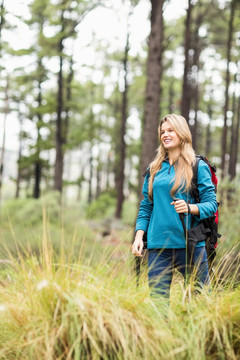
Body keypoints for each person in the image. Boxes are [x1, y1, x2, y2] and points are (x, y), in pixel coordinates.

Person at [132, 114, 218, 301]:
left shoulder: (197, 166)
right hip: (158, 246)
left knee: (202, 301)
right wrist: (139, 237)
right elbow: (146, 206)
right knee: (158, 305)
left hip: (190, 245)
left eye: (170, 130)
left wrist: (190, 208)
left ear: (182, 133)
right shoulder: (154, 169)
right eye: (163, 132)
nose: (165, 135)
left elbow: (211, 205)